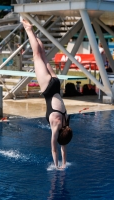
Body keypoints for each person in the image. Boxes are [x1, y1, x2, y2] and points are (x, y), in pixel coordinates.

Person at [22, 19, 73, 170]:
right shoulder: (57, 126)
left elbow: (63, 147)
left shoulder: (66, 122)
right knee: (37, 56)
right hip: (48, 88)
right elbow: (55, 149)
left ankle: (35, 35)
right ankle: (29, 30)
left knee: (43, 55)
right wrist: (57, 167)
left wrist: (65, 164)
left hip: (56, 84)